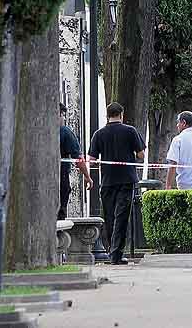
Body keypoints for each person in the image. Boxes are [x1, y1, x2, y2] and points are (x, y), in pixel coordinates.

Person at [88, 102, 145, 264]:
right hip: (127, 179)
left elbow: (91, 160)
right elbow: (141, 155)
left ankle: (111, 252)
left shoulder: (99, 134)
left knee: (110, 216)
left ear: (107, 115)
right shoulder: (130, 131)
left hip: (107, 181)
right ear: (121, 114)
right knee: (122, 216)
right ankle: (116, 254)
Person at [59, 103, 93, 220]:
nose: (64, 119)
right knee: (60, 213)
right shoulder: (65, 132)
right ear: (59, 115)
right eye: (63, 115)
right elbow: (79, 159)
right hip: (61, 177)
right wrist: (87, 176)